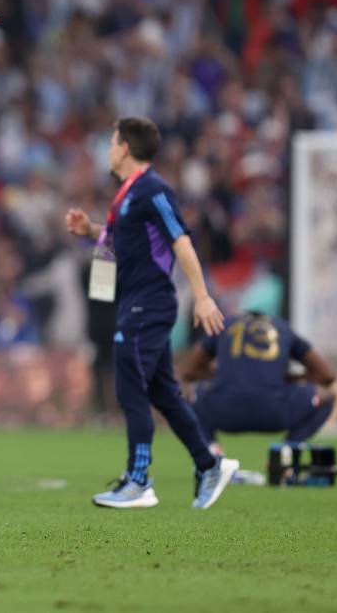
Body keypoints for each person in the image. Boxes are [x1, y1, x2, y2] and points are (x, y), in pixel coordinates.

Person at [65, 117, 239, 510]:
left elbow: (180, 240)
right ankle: (209, 464)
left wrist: (203, 296)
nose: (108, 150)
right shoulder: (126, 194)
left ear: (125, 148)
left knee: (130, 388)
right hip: (134, 302)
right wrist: (89, 230)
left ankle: (139, 480)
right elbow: (115, 242)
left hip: (149, 305)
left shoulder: (153, 190)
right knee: (163, 392)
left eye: (111, 143)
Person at [182, 311, 337, 447]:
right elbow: (328, 376)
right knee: (328, 397)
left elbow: (188, 371)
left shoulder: (225, 324)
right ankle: (287, 448)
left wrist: (222, 374)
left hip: (225, 412)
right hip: (275, 412)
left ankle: (212, 451)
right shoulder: (282, 327)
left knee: (187, 394)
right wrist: (291, 378)